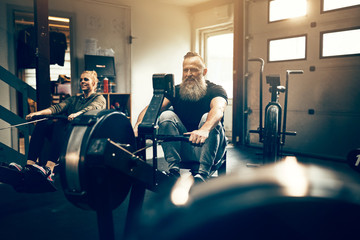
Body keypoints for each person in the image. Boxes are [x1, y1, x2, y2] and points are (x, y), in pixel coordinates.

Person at [134, 52, 228, 183]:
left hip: (211, 149)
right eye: (186, 70)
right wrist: (139, 124)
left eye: (194, 70)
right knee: (166, 115)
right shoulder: (175, 91)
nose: (189, 73)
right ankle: (174, 170)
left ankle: (203, 174)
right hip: (184, 149)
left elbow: (218, 110)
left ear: (204, 71)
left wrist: (204, 129)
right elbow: (152, 109)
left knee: (208, 117)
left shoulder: (216, 90)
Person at [10, 70, 106, 188]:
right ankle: (29, 165)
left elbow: (92, 108)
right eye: (81, 79)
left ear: (94, 83)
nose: (82, 82)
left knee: (61, 122)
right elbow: (57, 108)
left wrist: (76, 114)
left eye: (86, 79)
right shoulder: (75, 99)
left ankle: (49, 168)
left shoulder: (99, 98)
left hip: (81, 136)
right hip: (65, 133)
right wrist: (37, 114)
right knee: (43, 123)